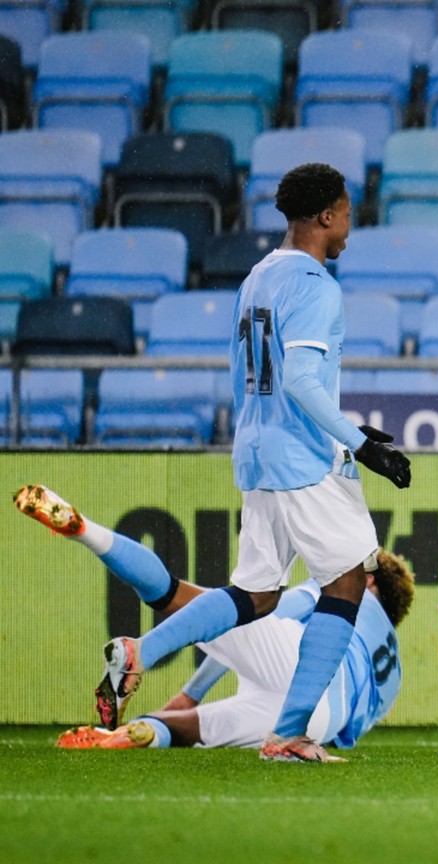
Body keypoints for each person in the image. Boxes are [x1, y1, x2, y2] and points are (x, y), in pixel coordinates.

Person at [90, 163, 413, 764]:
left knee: (255, 593)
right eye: (345, 213)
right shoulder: (317, 285)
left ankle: (141, 652)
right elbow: (299, 379)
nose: (349, 225)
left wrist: (344, 430)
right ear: (324, 216)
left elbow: (257, 378)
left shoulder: (257, 278)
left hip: (258, 451)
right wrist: (361, 446)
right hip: (304, 461)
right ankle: (289, 735)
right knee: (345, 582)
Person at [17, 483, 413, 751]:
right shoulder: (391, 671)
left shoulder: (351, 588)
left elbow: (265, 620)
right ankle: (133, 733)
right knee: (196, 728)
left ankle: (86, 531)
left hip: (301, 670)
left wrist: (192, 690)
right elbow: (347, 734)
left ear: (371, 581)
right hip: (318, 722)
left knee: (176, 596)